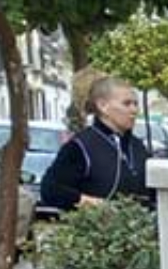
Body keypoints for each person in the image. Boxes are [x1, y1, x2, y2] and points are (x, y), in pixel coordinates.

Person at [39, 76, 153, 210]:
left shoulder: (138, 146)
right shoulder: (80, 146)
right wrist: (94, 204)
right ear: (102, 106)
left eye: (136, 104)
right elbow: (51, 190)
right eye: (126, 104)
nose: (134, 110)